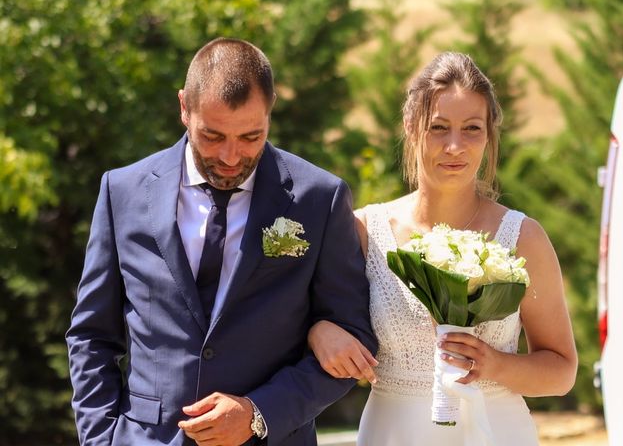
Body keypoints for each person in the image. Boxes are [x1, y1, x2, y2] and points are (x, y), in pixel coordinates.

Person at [66, 37, 376, 446]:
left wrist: (258, 415)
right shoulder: (121, 191)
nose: (231, 156)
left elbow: (353, 339)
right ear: (183, 108)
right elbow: (91, 336)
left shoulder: (319, 198)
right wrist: (99, 439)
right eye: (212, 136)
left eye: (251, 136)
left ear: (271, 110)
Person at [308, 51, 578, 445]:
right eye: (439, 128)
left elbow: (562, 370)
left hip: (495, 432)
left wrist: (494, 364)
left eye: (472, 128)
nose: (455, 146)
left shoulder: (523, 237)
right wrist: (319, 331)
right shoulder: (364, 230)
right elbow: (303, 317)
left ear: (489, 135)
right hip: (393, 432)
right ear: (411, 127)